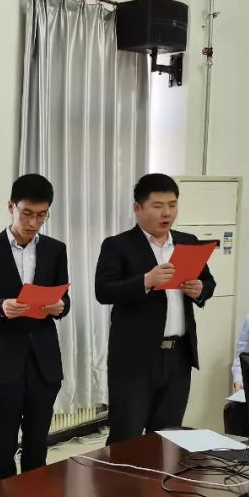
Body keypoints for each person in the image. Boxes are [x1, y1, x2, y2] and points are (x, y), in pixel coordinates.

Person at [94, 173, 216, 445]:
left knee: (167, 437)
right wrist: (146, 281)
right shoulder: (118, 245)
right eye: (158, 206)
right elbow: (103, 291)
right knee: (126, 436)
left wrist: (200, 290)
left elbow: (208, 282)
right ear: (138, 208)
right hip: (134, 358)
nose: (167, 213)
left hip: (178, 356)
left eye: (172, 205)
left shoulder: (188, 241)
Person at [0, 174, 71, 482]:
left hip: (44, 362)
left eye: (42, 215)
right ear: (11, 207)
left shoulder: (55, 249)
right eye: (27, 213)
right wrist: (1, 307)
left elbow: (64, 298)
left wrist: (61, 306)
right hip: (3, 362)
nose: (34, 222)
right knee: (3, 445)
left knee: (38, 445)